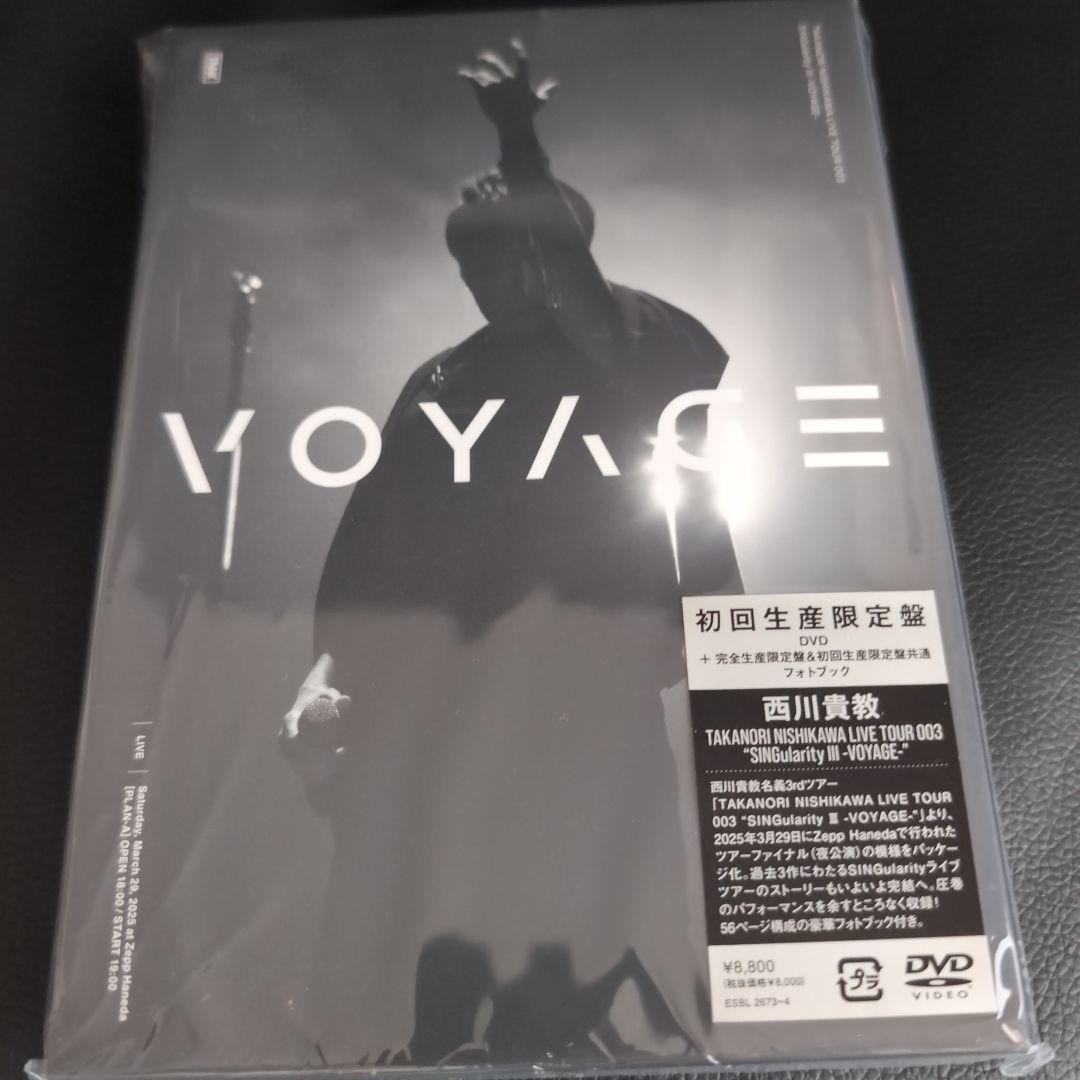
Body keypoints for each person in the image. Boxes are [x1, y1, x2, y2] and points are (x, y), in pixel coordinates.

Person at [280, 41, 741, 1066]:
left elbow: (579, 285)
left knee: (583, 921)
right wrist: (325, 669)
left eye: (522, 253)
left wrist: (517, 137)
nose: (499, 279)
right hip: (454, 698)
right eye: (478, 263)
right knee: (449, 926)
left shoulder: (629, 344)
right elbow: (374, 540)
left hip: (589, 686)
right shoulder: (439, 381)